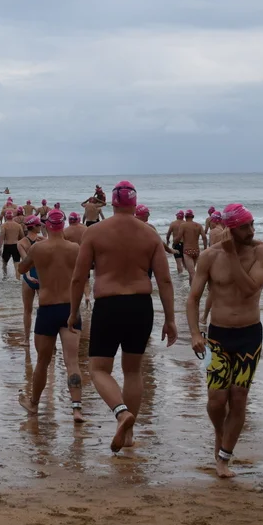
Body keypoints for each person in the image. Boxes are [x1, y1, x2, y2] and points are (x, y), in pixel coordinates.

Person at [69, 181, 177, 453]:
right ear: (134, 203)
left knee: (98, 369)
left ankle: (121, 413)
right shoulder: (150, 234)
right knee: (132, 370)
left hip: (109, 305)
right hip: (141, 306)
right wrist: (170, 319)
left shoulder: (95, 232)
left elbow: (78, 277)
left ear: (112, 203)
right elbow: (164, 280)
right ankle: (128, 436)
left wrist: (73, 312)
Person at [188, 203, 263, 478]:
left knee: (238, 397)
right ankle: (220, 432)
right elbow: (193, 298)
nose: (251, 231)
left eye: (252, 224)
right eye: (244, 227)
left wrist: (232, 256)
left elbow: (249, 289)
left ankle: (224, 457)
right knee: (216, 401)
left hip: (250, 335)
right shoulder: (208, 257)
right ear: (230, 229)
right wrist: (195, 333)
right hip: (218, 336)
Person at [17, 210, 86, 423]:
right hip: (70, 309)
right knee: (72, 361)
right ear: (63, 225)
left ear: (46, 225)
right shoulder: (75, 248)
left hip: (47, 309)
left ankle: (34, 404)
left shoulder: (38, 248)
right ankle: (76, 409)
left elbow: (22, 268)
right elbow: (84, 273)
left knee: (42, 362)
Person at [180, 210, 205, 283]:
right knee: (191, 272)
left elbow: (178, 237)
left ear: (185, 217)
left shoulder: (183, 225)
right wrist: (205, 248)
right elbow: (204, 237)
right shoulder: (199, 225)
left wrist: (175, 243)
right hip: (196, 251)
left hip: (187, 251)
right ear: (193, 216)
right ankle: (191, 287)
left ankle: (196, 288)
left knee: (192, 273)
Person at [0, 209, 24, 278]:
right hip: (16, 246)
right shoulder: (18, 225)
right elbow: (22, 237)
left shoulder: (3, 225)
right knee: (17, 264)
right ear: (12, 217)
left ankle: (5, 277)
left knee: (4, 264)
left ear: (6, 217)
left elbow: (1, 237)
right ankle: (18, 279)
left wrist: (0, 248)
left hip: (7, 246)